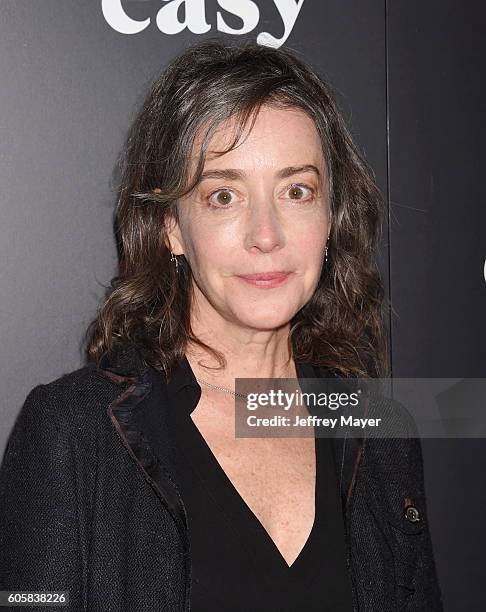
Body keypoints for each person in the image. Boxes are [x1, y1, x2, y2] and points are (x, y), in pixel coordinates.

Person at [0, 39, 443, 611]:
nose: (267, 234)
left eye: (296, 190)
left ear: (331, 217)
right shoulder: (71, 434)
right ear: (172, 228)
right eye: (225, 195)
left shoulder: (381, 432)